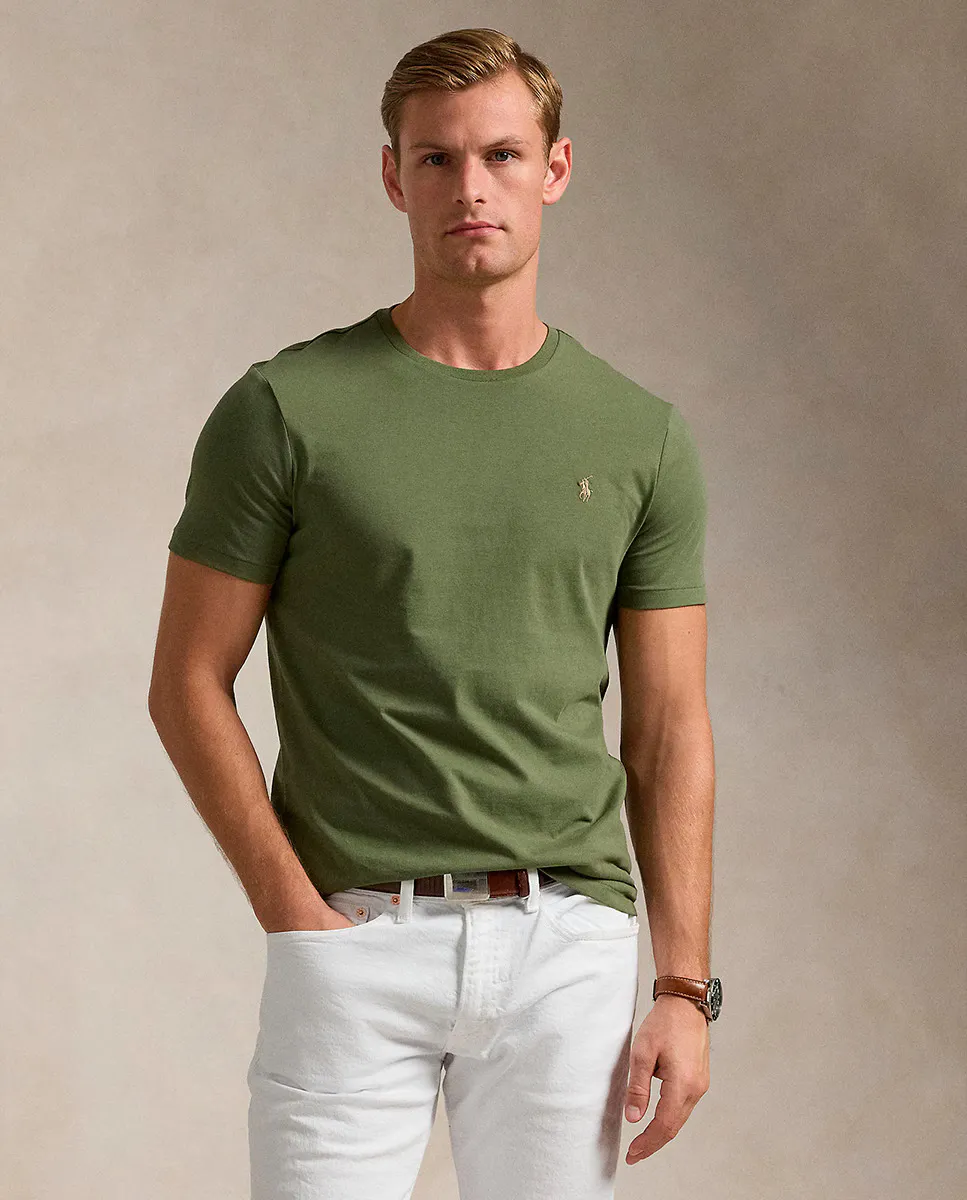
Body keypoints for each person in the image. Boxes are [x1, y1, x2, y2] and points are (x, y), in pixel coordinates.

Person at [148, 26, 720, 1200]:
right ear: (392, 175)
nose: (471, 189)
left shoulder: (639, 436)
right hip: (355, 936)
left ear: (555, 168)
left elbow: (668, 728)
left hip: (566, 947)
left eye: (502, 155)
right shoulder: (285, 410)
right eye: (436, 158)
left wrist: (681, 988)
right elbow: (187, 681)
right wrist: (291, 913)